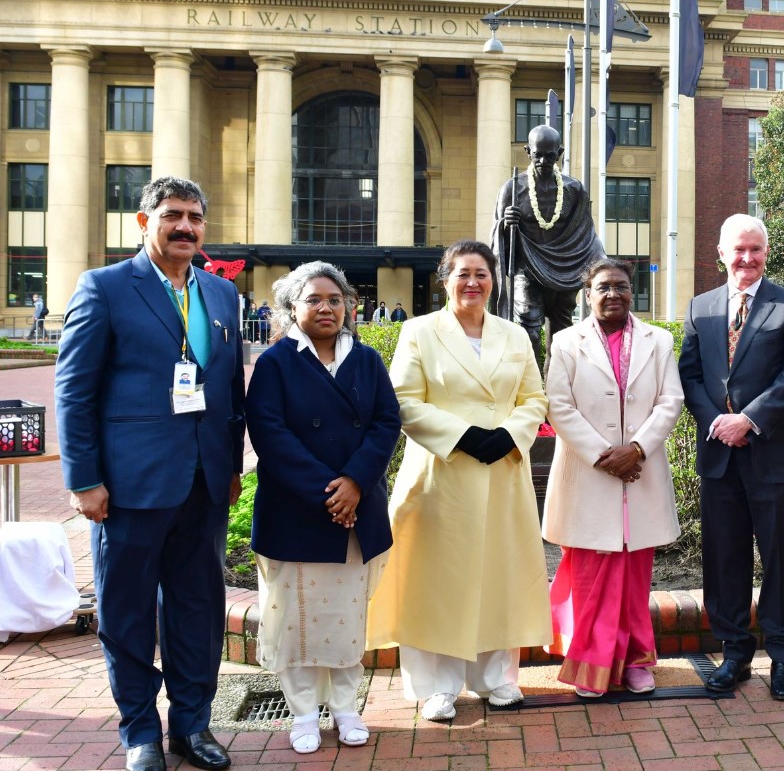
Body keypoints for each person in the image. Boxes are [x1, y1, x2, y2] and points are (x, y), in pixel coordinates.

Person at [54, 176, 245, 771]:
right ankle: (140, 731)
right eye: (172, 216)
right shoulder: (105, 288)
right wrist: (84, 479)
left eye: (195, 217)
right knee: (128, 613)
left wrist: (233, 467)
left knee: (197, 611)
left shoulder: (220, 296)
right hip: (129, 489)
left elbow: (229, 389)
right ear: (144, 222)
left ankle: (192, 726)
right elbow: (73, 390)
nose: (185, 227)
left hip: (204, 485)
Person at [366, 240, 551, 722]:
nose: (473, 282)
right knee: (436, 580)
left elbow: (534, 398)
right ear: (445, 280)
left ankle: (496, 678)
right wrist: (463, 436)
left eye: (482, 273)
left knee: (498, 575)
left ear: (494, 281)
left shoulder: (514, 336)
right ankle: (435, 687)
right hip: (441, 472)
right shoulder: (419, 331)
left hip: (501, 470)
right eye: (463, 273)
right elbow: (403, 400)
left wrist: (509, 435)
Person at [246, 262, 401, 754]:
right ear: (293, 307)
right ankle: (303, 714)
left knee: (346, 617)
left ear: (348, 306)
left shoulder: (368, 361)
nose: (326, 308)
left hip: (358, 508)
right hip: (297, 510)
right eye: (313, 299)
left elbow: (385, 422)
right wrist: (329, 492)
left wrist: (355, 482)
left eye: (335, 299)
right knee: (296, 619)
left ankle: (347, 707)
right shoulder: (275, 363)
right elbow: (270, 434)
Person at [678, 213, 784, 701]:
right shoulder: (701, 307)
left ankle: (783, 658)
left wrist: (749, 420)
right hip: (720, 455)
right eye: (738, 249)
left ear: (766, 252)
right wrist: (717, 421)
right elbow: (689, 376)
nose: (747, 258)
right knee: (724, 557)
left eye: (755, 249)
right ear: (720, 253)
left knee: (780, 555)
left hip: (775, 454)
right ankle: (734, 652)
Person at [542, 258, 685, 697]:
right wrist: (605, 456)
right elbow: (558, 405)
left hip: (641, 475)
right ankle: (591, 662)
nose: (613, 295)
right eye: (603, 287)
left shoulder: (658, 340)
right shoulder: (567, 341)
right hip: (589, 475)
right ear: (588, 293)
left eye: (621, 286)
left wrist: (637, 448)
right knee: (589, 577)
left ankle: (638, 661)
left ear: (632, 290)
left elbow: (670, 400)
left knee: (635, 578)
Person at [491, 124, 606, 366]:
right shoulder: (512, 188)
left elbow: (585, 232)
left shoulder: (574, 190)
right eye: (537, 154)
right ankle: (530, 388)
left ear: (559, 153)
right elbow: (497, 237)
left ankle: (557, 389)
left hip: (565, 269)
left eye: (550, 155)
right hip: (527, 270)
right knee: (528, 329)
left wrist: (602, 266)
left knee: (563, 335)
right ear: (527, 151)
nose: (543, 160)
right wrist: (505, 224)